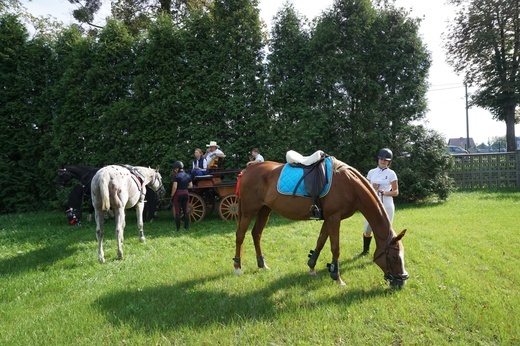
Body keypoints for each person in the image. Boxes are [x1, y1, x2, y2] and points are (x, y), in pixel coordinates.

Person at [359, 148, 399, 256]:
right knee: (368, 227)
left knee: (386, 229)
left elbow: (396, 192)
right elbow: (364, 189)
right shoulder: (371, 172)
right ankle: (365, 250)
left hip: (387, 203)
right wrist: (372, 186)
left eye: (385, 160)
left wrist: (385, 192)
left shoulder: (391, 174)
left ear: (389, 162)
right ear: (378, 159)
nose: (383, 161)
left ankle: (384, 251)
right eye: (381, 159)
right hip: (372, 202)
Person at [171, 161, 193, 231]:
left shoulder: (176, 176)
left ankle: (178, 228)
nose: (175, 170)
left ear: (177, 168)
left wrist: (172, 195)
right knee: (186, 210)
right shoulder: (188, 175)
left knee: (177, 211)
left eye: (175, 169)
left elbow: (174, 187)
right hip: (186, 193)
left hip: (178, 193)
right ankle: (186, 227)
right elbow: (191, 185)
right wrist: (185, 188)